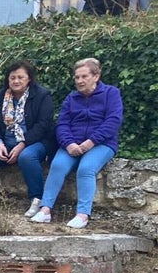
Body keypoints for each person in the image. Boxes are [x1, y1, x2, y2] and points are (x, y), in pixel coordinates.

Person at [30, 58, 122, 229]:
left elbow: (113, 121)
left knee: (86, 169)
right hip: (72, 144)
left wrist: (91, 142)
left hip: (102, 143)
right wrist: (69, 143)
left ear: (96, 76)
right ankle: (45, 210)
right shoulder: (71, 98)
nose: (79, 81)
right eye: (77, 77)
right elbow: (62, 124)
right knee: (57, 165)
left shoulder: (111, 93)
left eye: (84, 76)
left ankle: (82, 215)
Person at [0, 60, 56, 215]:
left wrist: (22, 144)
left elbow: (43, 125)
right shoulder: (1, 96)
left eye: (20, 77)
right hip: (6, 142)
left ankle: (37, 199)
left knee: (27, 157)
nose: (16, 81)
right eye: (12, 77)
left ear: (29, 78)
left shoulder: (42, 96)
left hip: (35, 142)